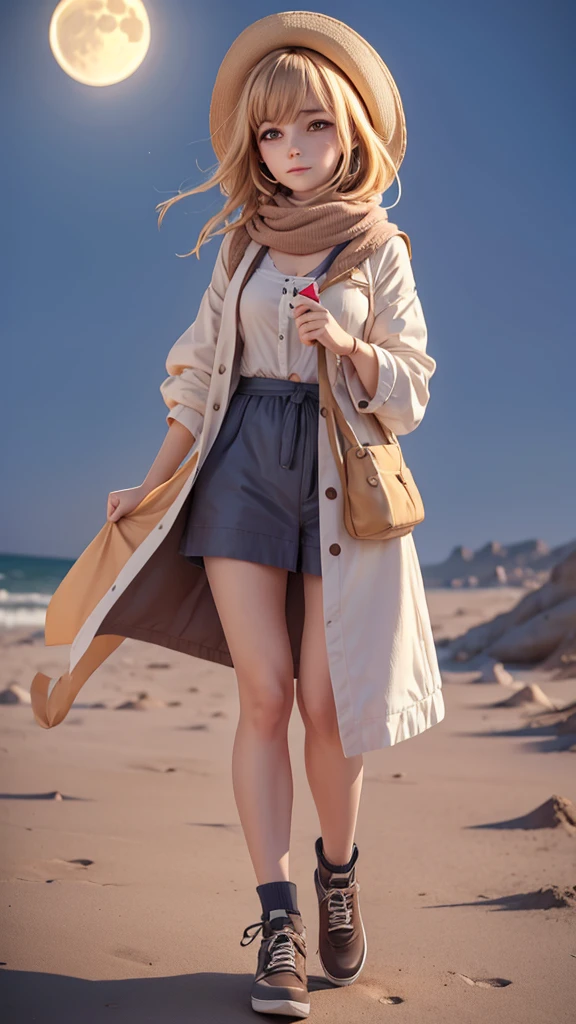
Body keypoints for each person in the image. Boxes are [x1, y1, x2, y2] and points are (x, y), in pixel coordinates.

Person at [31, 11, 445, 1020]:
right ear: (252, 145)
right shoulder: (241, 251)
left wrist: (344, 352)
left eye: (309, 126)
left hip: (338, 483)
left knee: (327, 703)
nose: (291, 150)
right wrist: (152, 478)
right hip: (240, 471)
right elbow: (193, 379)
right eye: (271, 134)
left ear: (348, 127)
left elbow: (414, 387)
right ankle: (279, 922)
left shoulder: (379, 245)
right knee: (264, 693)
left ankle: (337, 875)